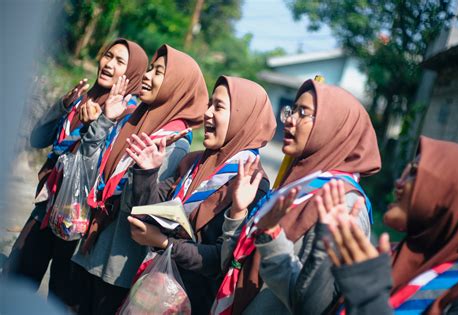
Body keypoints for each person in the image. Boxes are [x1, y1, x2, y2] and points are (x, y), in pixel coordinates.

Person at [213, 79, 381, 315]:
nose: (290, 120)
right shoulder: (296, 182)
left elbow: (314, 305)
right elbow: (234, 263)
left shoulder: (346, 202)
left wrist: (271, 237)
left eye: (304, 113)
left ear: (333, 127)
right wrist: (238, 212)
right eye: (292, 110)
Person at [5, 38, 148, 305]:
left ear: (132, 75)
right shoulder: (81, 99)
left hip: (80, 219)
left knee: (61, 292)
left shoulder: (128, 117)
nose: (109, 64)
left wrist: (100, 122)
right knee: (18, 273)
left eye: (120, 62)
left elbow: (101, 167)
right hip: (47, 205)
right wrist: (62, 105)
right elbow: (38, 139)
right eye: (108, 55)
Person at [71, 44, 209, 315]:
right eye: (149, 69)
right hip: (93, 243)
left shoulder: (174, 143)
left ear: (176, 85)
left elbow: (145, 207)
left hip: (119, 264)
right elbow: (87, 166)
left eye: (159, 72)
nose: (147, 76)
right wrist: (105, 122)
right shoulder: (131, 119)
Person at [127, 76, 277, 314]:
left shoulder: (252, 182)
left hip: (193, 301)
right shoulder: (194, 161)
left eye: (218, 107)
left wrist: (163, 243)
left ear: (242, 118)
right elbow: (150, 212)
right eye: (209, 104)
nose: (207, 113)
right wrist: (147, 171)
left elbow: (220, 259)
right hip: (156, 287)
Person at [324, 136, 458, 314]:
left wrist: (369, 297)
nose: (399, 182)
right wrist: (322, 240)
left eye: (414, 173)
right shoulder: (391, 257)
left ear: (452, 195)